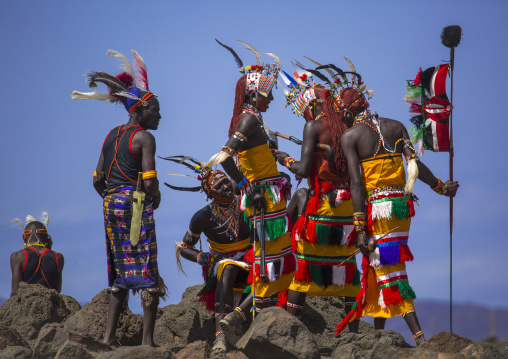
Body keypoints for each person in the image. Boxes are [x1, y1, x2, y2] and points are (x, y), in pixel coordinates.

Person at [334, 84, 459, 345]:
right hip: (402, 208)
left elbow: (356, 184)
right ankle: (380, 333)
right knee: (379, 265)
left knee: (389, 268)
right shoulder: (395, 126)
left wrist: (359, 230)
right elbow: (413, 164)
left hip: (379, 210)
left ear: (347, 112)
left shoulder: (351, 136)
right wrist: (439, 186)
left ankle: (419, 336)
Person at [72, 49, 165, 347]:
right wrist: (155, 197)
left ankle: (109, 337)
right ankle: (148, 343)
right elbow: (149, 182)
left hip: (110, 204)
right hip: (134, 205)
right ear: (139, 110)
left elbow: (98, 178)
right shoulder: (145, 138)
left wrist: (111, 196)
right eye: (156, 110)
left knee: (120, 271)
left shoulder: (112, 134)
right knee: (147, 270)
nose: (160, 115)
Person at [211, 41, 296, 342]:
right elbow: (223, 158)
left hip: (271, 199)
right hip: (263, 201)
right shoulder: (247, 120)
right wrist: (248, 186)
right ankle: (247, 324)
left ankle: (243, 318)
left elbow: (264, 154)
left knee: (276, 261)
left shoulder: (255, 120)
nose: (271, 98)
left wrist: (286, 159)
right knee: (267, 262)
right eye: (267, 93)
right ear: (253, 92)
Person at [275, 70, 361, 331]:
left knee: (302, 265)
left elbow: (301, 170)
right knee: (347, 265)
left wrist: (284, 159)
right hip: (348, 210)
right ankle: (354, 333)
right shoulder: (349, 127)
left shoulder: (313, 127)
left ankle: (291, 327)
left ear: (312, 105)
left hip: (322, 208)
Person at [167, 162, 252, 353]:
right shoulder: (203, 217)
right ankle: (220, 336)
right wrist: (206, 258)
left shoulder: (243, 202)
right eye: (219, 187)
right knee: (228, 266)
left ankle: (238, 317)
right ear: (211, 194)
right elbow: (184, 248)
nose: (226, 188)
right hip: (222, 263)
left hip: (249, 257)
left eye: (226, 183)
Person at [10, 212, 64, 297]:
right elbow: (57, 289)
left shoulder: (17, 256)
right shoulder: (58, 257)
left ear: (24, 238)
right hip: (50, 305)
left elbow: (15, 292)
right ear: (46, 238)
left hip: (26, 305)